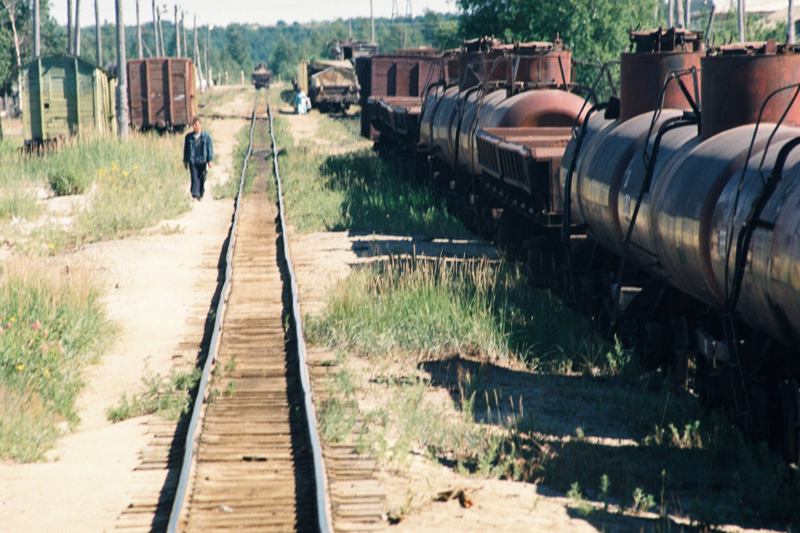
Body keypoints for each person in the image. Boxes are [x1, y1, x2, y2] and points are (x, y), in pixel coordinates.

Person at [183, 117, 214, 200]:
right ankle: (194, 194)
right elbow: (186, 149)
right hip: (192, 160)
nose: (194, 126)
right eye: (193, 125)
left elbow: (210, 148)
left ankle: (200, 193)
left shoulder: (206, 137)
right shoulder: (188, 137)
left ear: (200, 124)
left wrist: (210, 160)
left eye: (196, 124)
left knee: (202, 177)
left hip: (202, 160)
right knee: (194, 177)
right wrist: (185, 161)